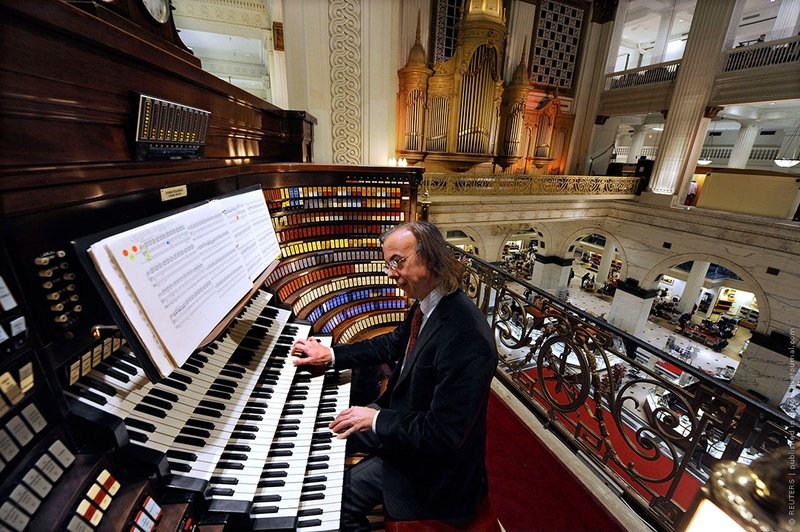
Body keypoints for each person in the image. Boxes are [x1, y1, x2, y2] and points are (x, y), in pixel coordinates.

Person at [290, 221, 497, 530]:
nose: (390, 272)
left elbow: (444, 433)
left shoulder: (466, 335)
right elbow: (390, 344)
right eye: (388, 263)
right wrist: (331, 355)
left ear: (429, 259)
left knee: (335, 502)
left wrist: (375, 419)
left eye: (398, 262)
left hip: (435, 470)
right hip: (405, 424)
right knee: (322, 431)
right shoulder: (428, 304)